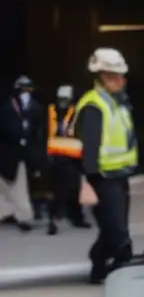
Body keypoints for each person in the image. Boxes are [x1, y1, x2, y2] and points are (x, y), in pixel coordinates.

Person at [73, 49, 138, 283]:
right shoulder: (94, 105)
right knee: (118, 231)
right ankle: (124, 269)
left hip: (119, 175)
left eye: (121, 76)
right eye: (114, 76)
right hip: (102, 177)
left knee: (113, 226)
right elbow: (89, 147)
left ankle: (99, 262)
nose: (120, 81)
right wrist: (88, 181)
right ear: (101, 77)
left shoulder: (118, 102)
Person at [0, 75, 44, 231]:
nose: (26, 93)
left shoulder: (36, 108)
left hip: (23, 155)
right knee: (4, 188)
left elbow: (38, 134)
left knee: (20, 188)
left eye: (28, 89)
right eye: (23, 90)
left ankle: (23, 217)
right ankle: (7, 211)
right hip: (7, 153)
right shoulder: (6, 107)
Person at [45, 84, 89, 235]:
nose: (62, 102)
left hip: (72, 158)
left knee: (74, 189)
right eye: (60, 99)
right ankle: (53, 219)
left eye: (65, 99)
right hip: (54, 157)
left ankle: (76, 217)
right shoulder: (50, 111)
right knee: (55, 191)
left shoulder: (76, 112)